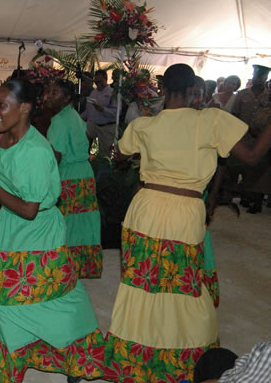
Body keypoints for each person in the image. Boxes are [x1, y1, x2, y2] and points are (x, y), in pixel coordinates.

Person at [104, 64, 271, 382]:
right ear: (193, 88)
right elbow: (251, 155)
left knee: (141, 284)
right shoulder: (211, 121)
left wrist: (139, 157)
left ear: (163, 88)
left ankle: (135, 361)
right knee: (184, 287)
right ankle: (183, 360)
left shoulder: (143, 126)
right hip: (185, 212)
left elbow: (119, 156)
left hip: (145, 209)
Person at [0, 79, 105, 383]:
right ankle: (8, 358)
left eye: (2, 105)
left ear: (24, 109)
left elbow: (29, 209)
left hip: (38, 233)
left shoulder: (36, 150)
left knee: (52, 300)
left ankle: (75, 360)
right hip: (9, 227)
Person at [46, 79, 102, 278]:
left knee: (67, 223)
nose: (49, 97)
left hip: (69, 176)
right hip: (84, 174)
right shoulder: (74, 115)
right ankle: (82, 266)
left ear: (67, 97)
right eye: (49, 92)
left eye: (55, 93)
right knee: (83, 222)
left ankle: (66, 267)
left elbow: (56, 157)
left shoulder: (59, 120)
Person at [231, 64, 271, 214]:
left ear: (265, 78)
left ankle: (254, 199)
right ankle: (237, 194)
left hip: (261, 141)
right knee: (237, 167)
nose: (258, 78)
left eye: (261, 76)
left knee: (259, 171)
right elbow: (234, 115)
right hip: (241, 138)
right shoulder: (242, 94)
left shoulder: (269, 96)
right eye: (256, 75)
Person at [82, 69, 117, 157]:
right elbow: (88, 111)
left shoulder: (112, 93)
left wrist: (103, 109)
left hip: (106, 127)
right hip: (92, 125)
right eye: (96, 82)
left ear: (106, 79)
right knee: (80, 135)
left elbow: (116, 113)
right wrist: (78, 118)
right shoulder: (93, 93)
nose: (98, 84)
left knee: (105, 154)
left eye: (100, 81)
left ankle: (104, 167)